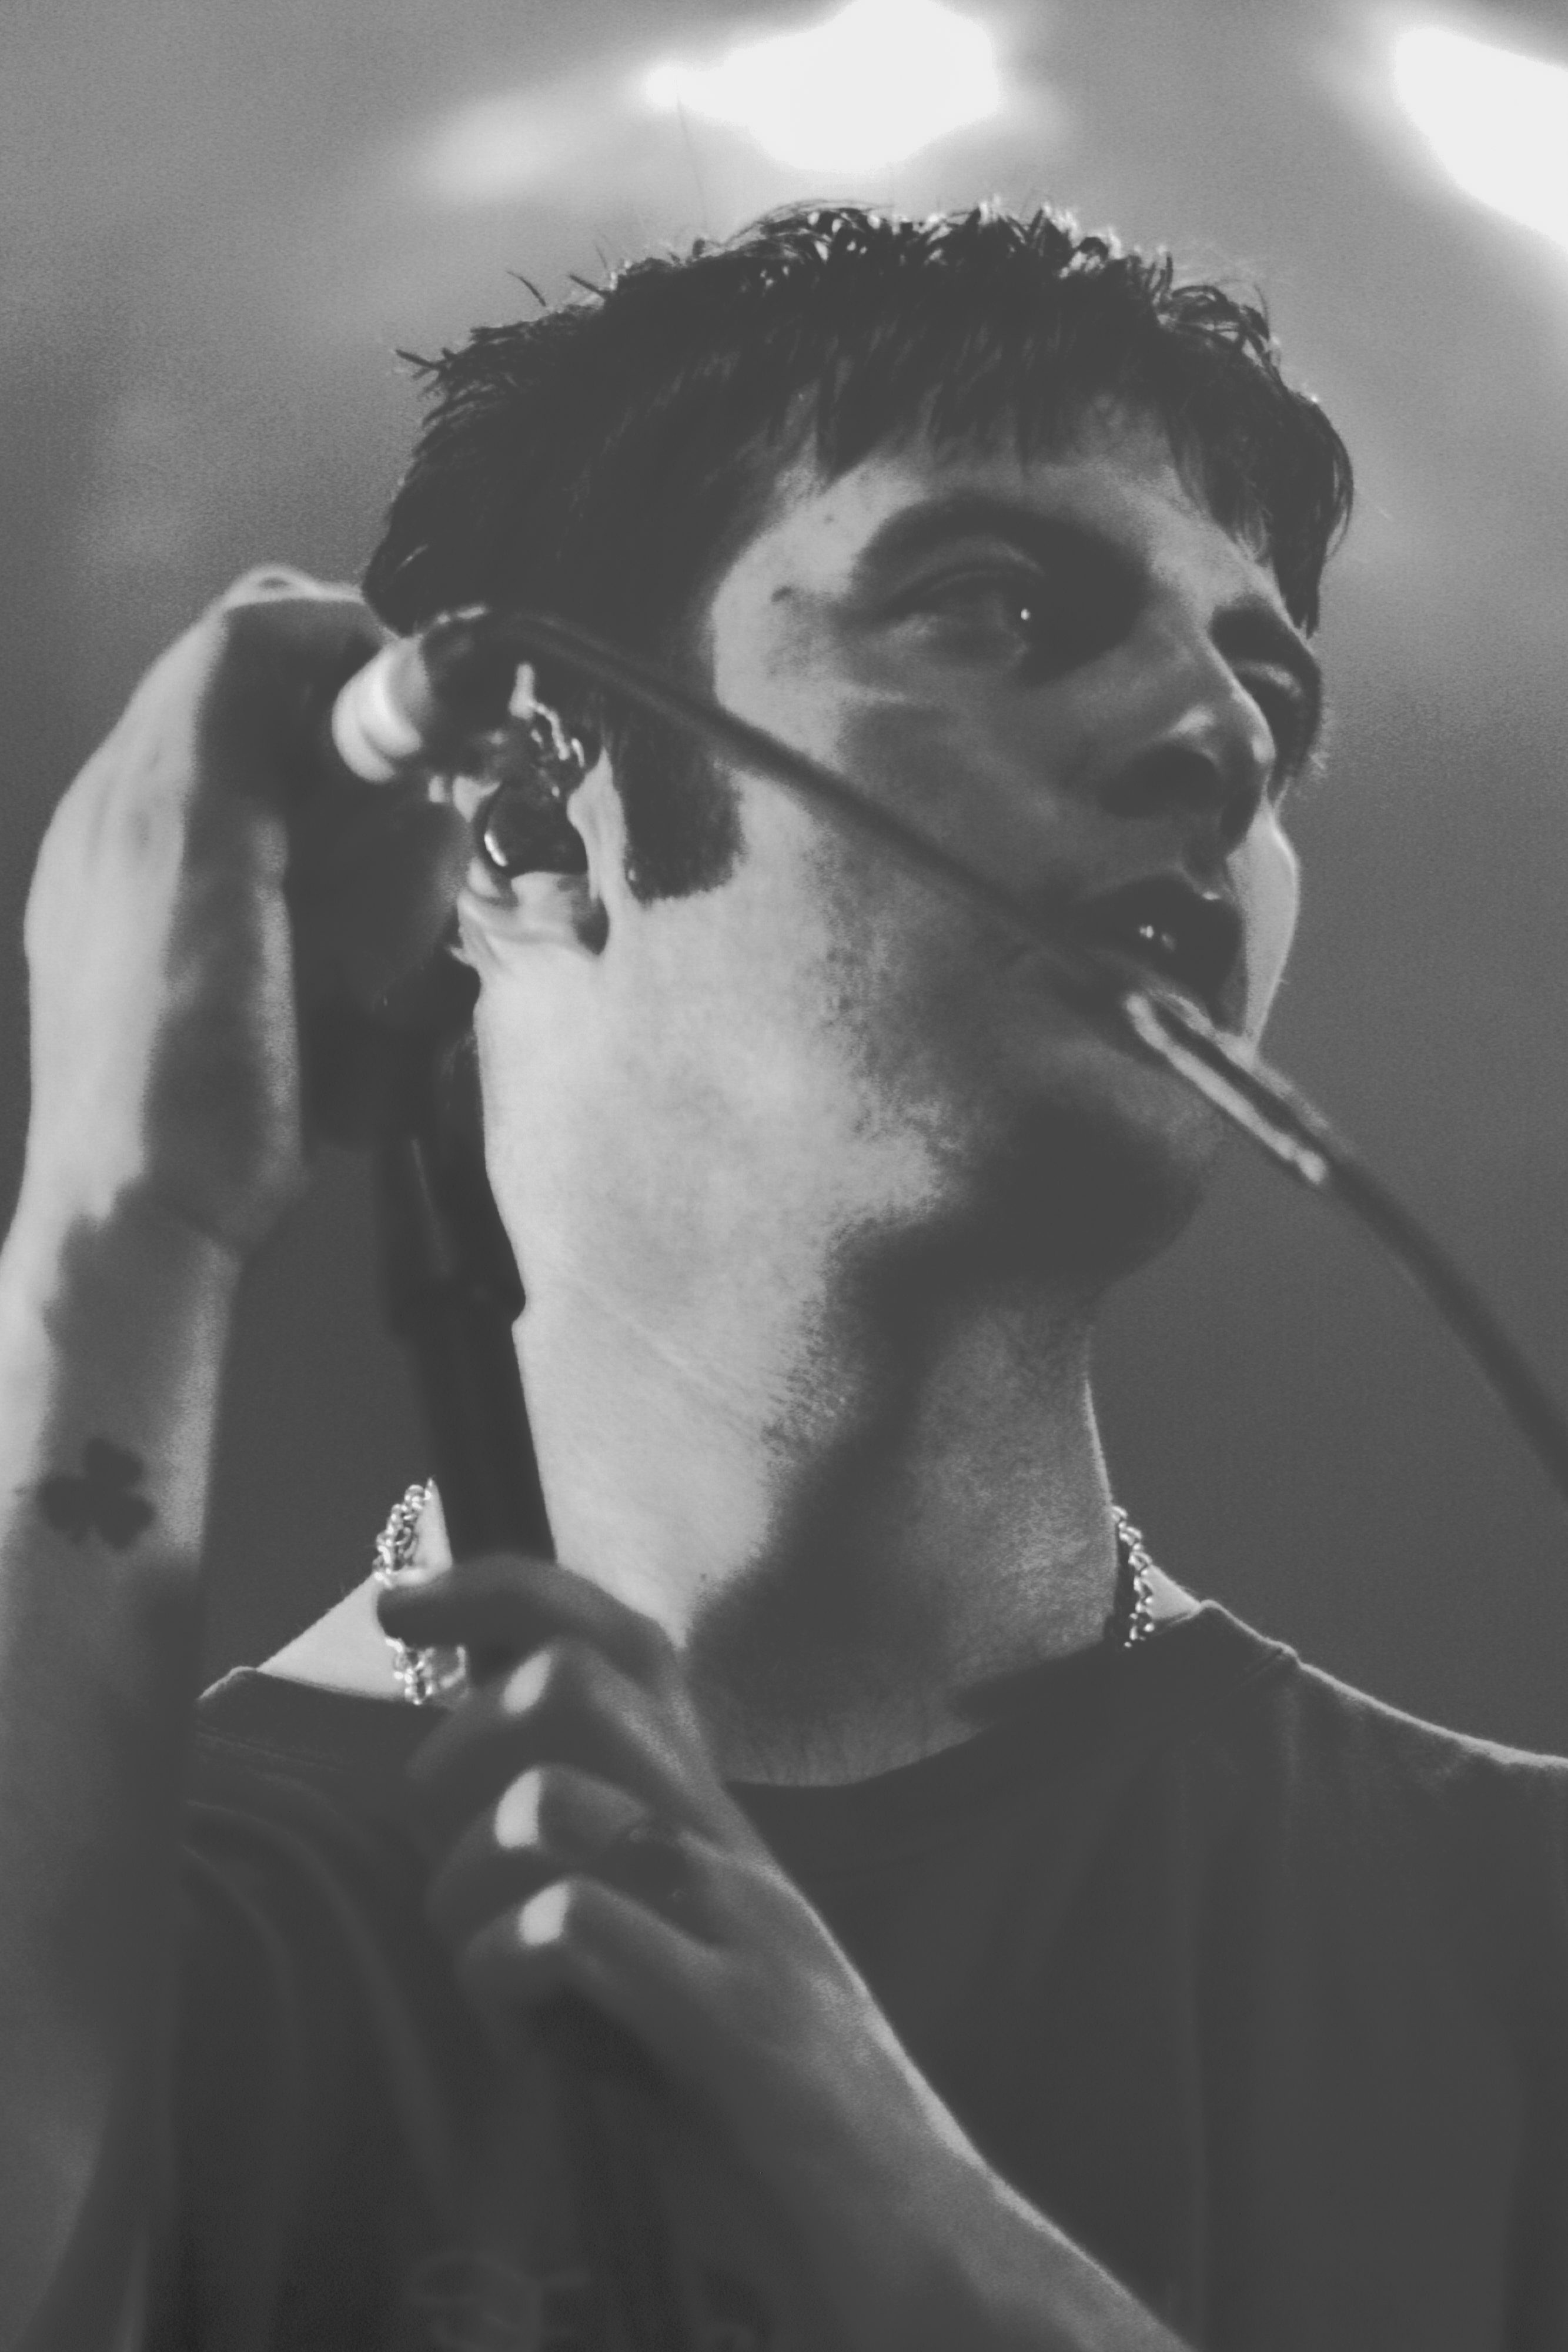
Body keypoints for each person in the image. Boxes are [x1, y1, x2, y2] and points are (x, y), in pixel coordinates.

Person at [0, 202, 1563, 2352]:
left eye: (1266, 679)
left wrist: (890, 2202)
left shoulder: (1517, 1924)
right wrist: (122, 1215)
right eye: (995, 600)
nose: (1213, 733)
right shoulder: (164, 1922)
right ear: (523, 826)